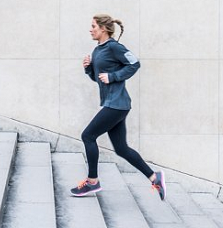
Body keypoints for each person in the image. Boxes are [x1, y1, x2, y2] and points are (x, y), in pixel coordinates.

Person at [70, 14, 166, 201]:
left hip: (117, 104)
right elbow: (98, 79)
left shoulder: (114, 47)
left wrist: (114, 77)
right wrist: (89, 68)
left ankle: (92, 181)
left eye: (93, 26)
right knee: (121, 148)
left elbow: (135, 63)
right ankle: (155, 178)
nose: (90, 29)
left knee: (88, 136)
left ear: (103, 29)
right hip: (113, 104)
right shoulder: (98, 50)